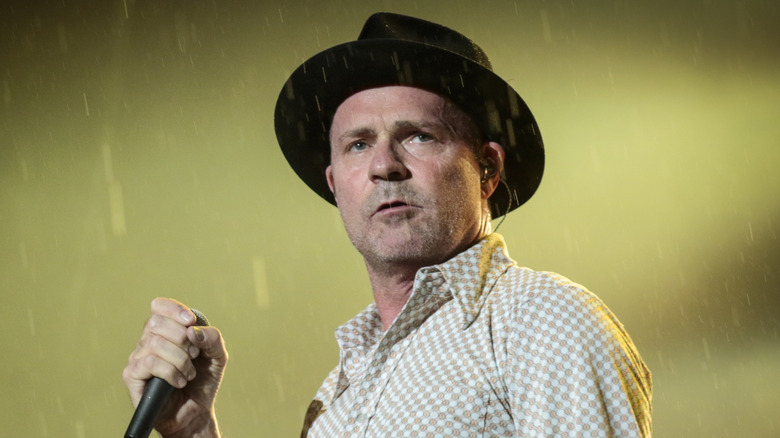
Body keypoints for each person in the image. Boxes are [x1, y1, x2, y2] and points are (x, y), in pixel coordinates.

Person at [122, 12, 652, 438]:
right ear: (335, 183)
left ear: (487, 169)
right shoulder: (336, 394)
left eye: (418, 135)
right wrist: (193, 433)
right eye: (358, 144)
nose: (384, 165)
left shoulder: (542, 322)